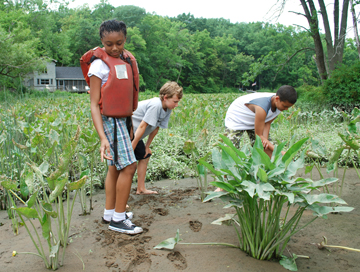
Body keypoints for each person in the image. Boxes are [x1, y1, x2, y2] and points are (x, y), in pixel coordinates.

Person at [88, 20, 142, 234]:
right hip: (110, 120)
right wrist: (102, 137)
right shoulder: (98, 65)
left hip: (123, 120)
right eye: (109, 44)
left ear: (125, 40)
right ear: (101, 41)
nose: (114, 48)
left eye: (119, 43)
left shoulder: (126, 61)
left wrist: (129, 124)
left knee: (114, 168)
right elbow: (94, 104)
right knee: (129, 167)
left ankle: (110, 213)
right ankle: (119, 220)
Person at [131, 81, 183, 194]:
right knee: (128, 164)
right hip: (127, 133)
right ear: (165, 97)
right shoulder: (156, 105)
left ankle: (141, 188)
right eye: (175, 101)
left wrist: (147, 146)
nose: (176, 105)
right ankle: (118, 198)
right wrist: (133, 145)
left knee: (145, 156)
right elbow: (142, 126)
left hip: (136, 136)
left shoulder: (167, 109)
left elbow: (156, 128)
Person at [224, 85, 297, 157]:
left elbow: (267, 123)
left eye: (288, 107)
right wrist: (280, 151)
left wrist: (265, 141)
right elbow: (259, 136)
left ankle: (268, 167)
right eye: (285, 106)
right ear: (277, 98)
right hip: (237, 118)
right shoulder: (262, 107)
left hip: (257, 119)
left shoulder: (279, 105)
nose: (286, 109)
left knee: (265, 148)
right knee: (230, 152)